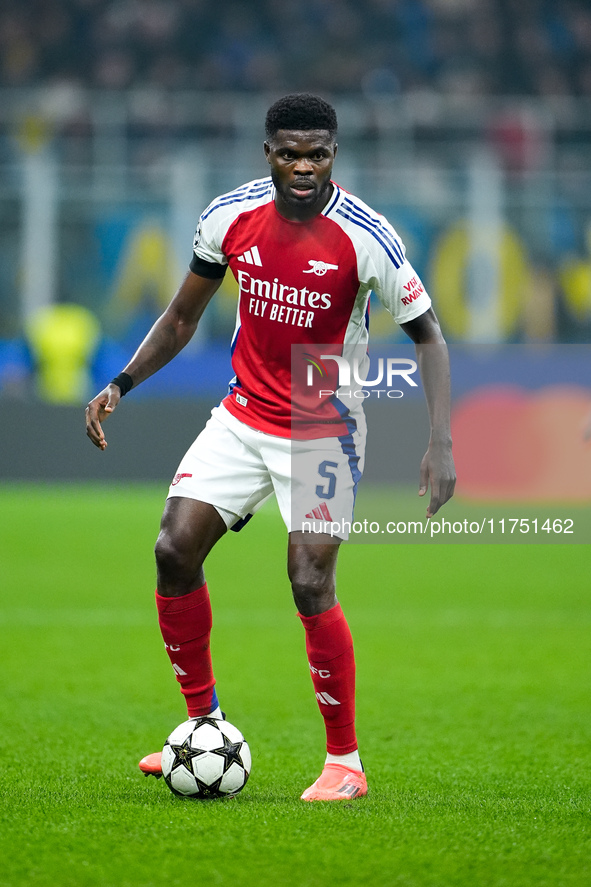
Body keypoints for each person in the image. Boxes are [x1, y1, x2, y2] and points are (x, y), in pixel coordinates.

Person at [86, 93, 456, 802]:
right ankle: (202, 728)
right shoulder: (229, 216)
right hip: (242, 412)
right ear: (268, 153)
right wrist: (121, 383)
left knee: (309, 579)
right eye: (289, 153)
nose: (302, 167)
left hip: (322, 417)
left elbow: (428, 336)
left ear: (333, 156)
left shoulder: (365, 236)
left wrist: (438, 440)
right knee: (172, 550)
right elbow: (181, 315)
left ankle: (344, 761)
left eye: (316, 153)